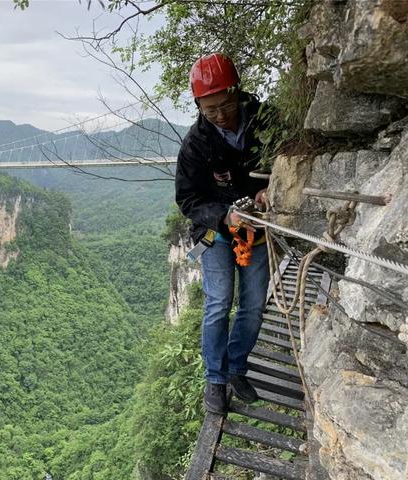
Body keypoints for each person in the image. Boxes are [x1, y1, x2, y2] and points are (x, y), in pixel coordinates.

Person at [175, 53, 270, 415]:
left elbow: (286, 160)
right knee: (219, 303)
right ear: (198, 105)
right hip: (214, 231)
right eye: (209, 109)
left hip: (257, 225)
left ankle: (237, 368)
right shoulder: (196, 144)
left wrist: (272, 187)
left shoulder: (264, 120)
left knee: (254, 305)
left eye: (225, 104)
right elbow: (187, 198)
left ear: (236, 92)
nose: (219, 115)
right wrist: (225, 216)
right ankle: (215, 379)